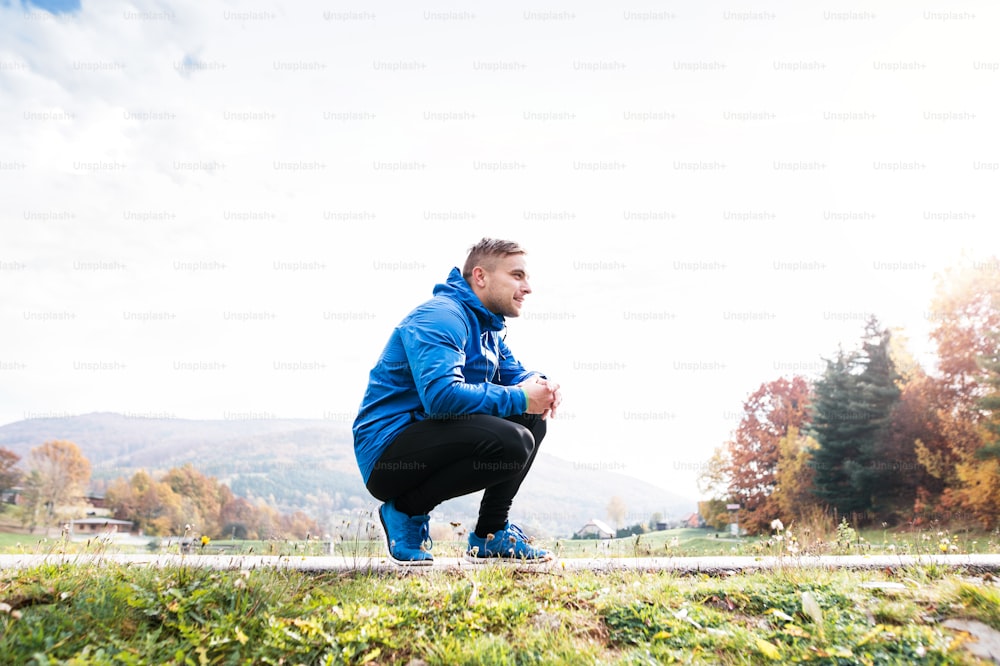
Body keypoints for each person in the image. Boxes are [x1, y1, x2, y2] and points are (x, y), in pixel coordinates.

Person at [352, 238, 562, 565]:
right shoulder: (442, 316)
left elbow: (516, 375)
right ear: (480, 276)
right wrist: (522, 397)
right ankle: (405, 512)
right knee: (514, 437)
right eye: (518, 276)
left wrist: (542, 386)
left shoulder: (487, 330)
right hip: (387, 453)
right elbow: (441, 397)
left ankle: (490, 536)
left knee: (532, 419)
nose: (528, 287)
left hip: (431, 435)